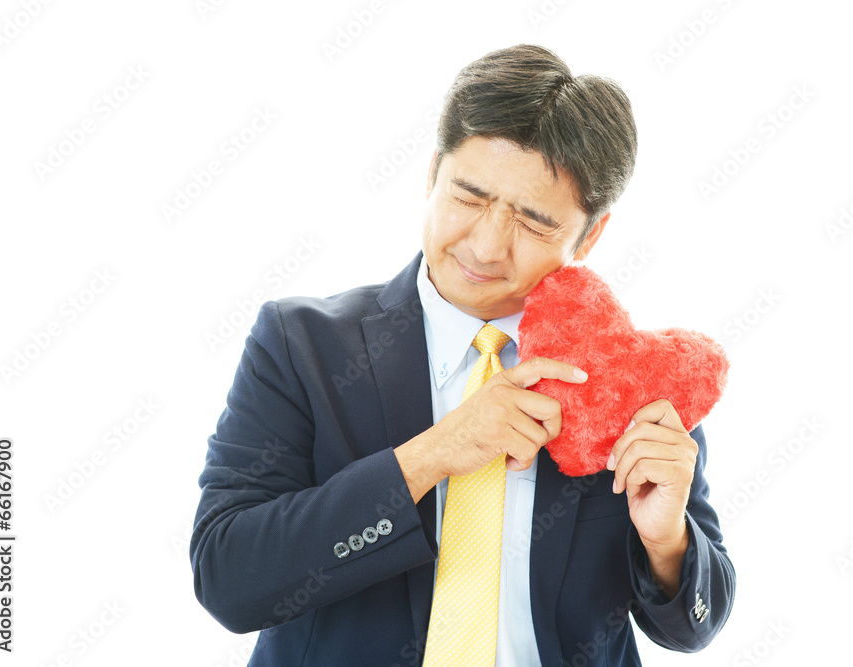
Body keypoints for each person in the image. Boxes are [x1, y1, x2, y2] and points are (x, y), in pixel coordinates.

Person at [190, 43, 735, 666]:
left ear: (591, 235)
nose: (487, 246)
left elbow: (696, 626)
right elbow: (227, 578)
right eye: (469, 196)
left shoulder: (630, 374)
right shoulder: (301, 345)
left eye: (534, 222)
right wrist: (432, 455)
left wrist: (668, 542)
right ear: (432, 174)